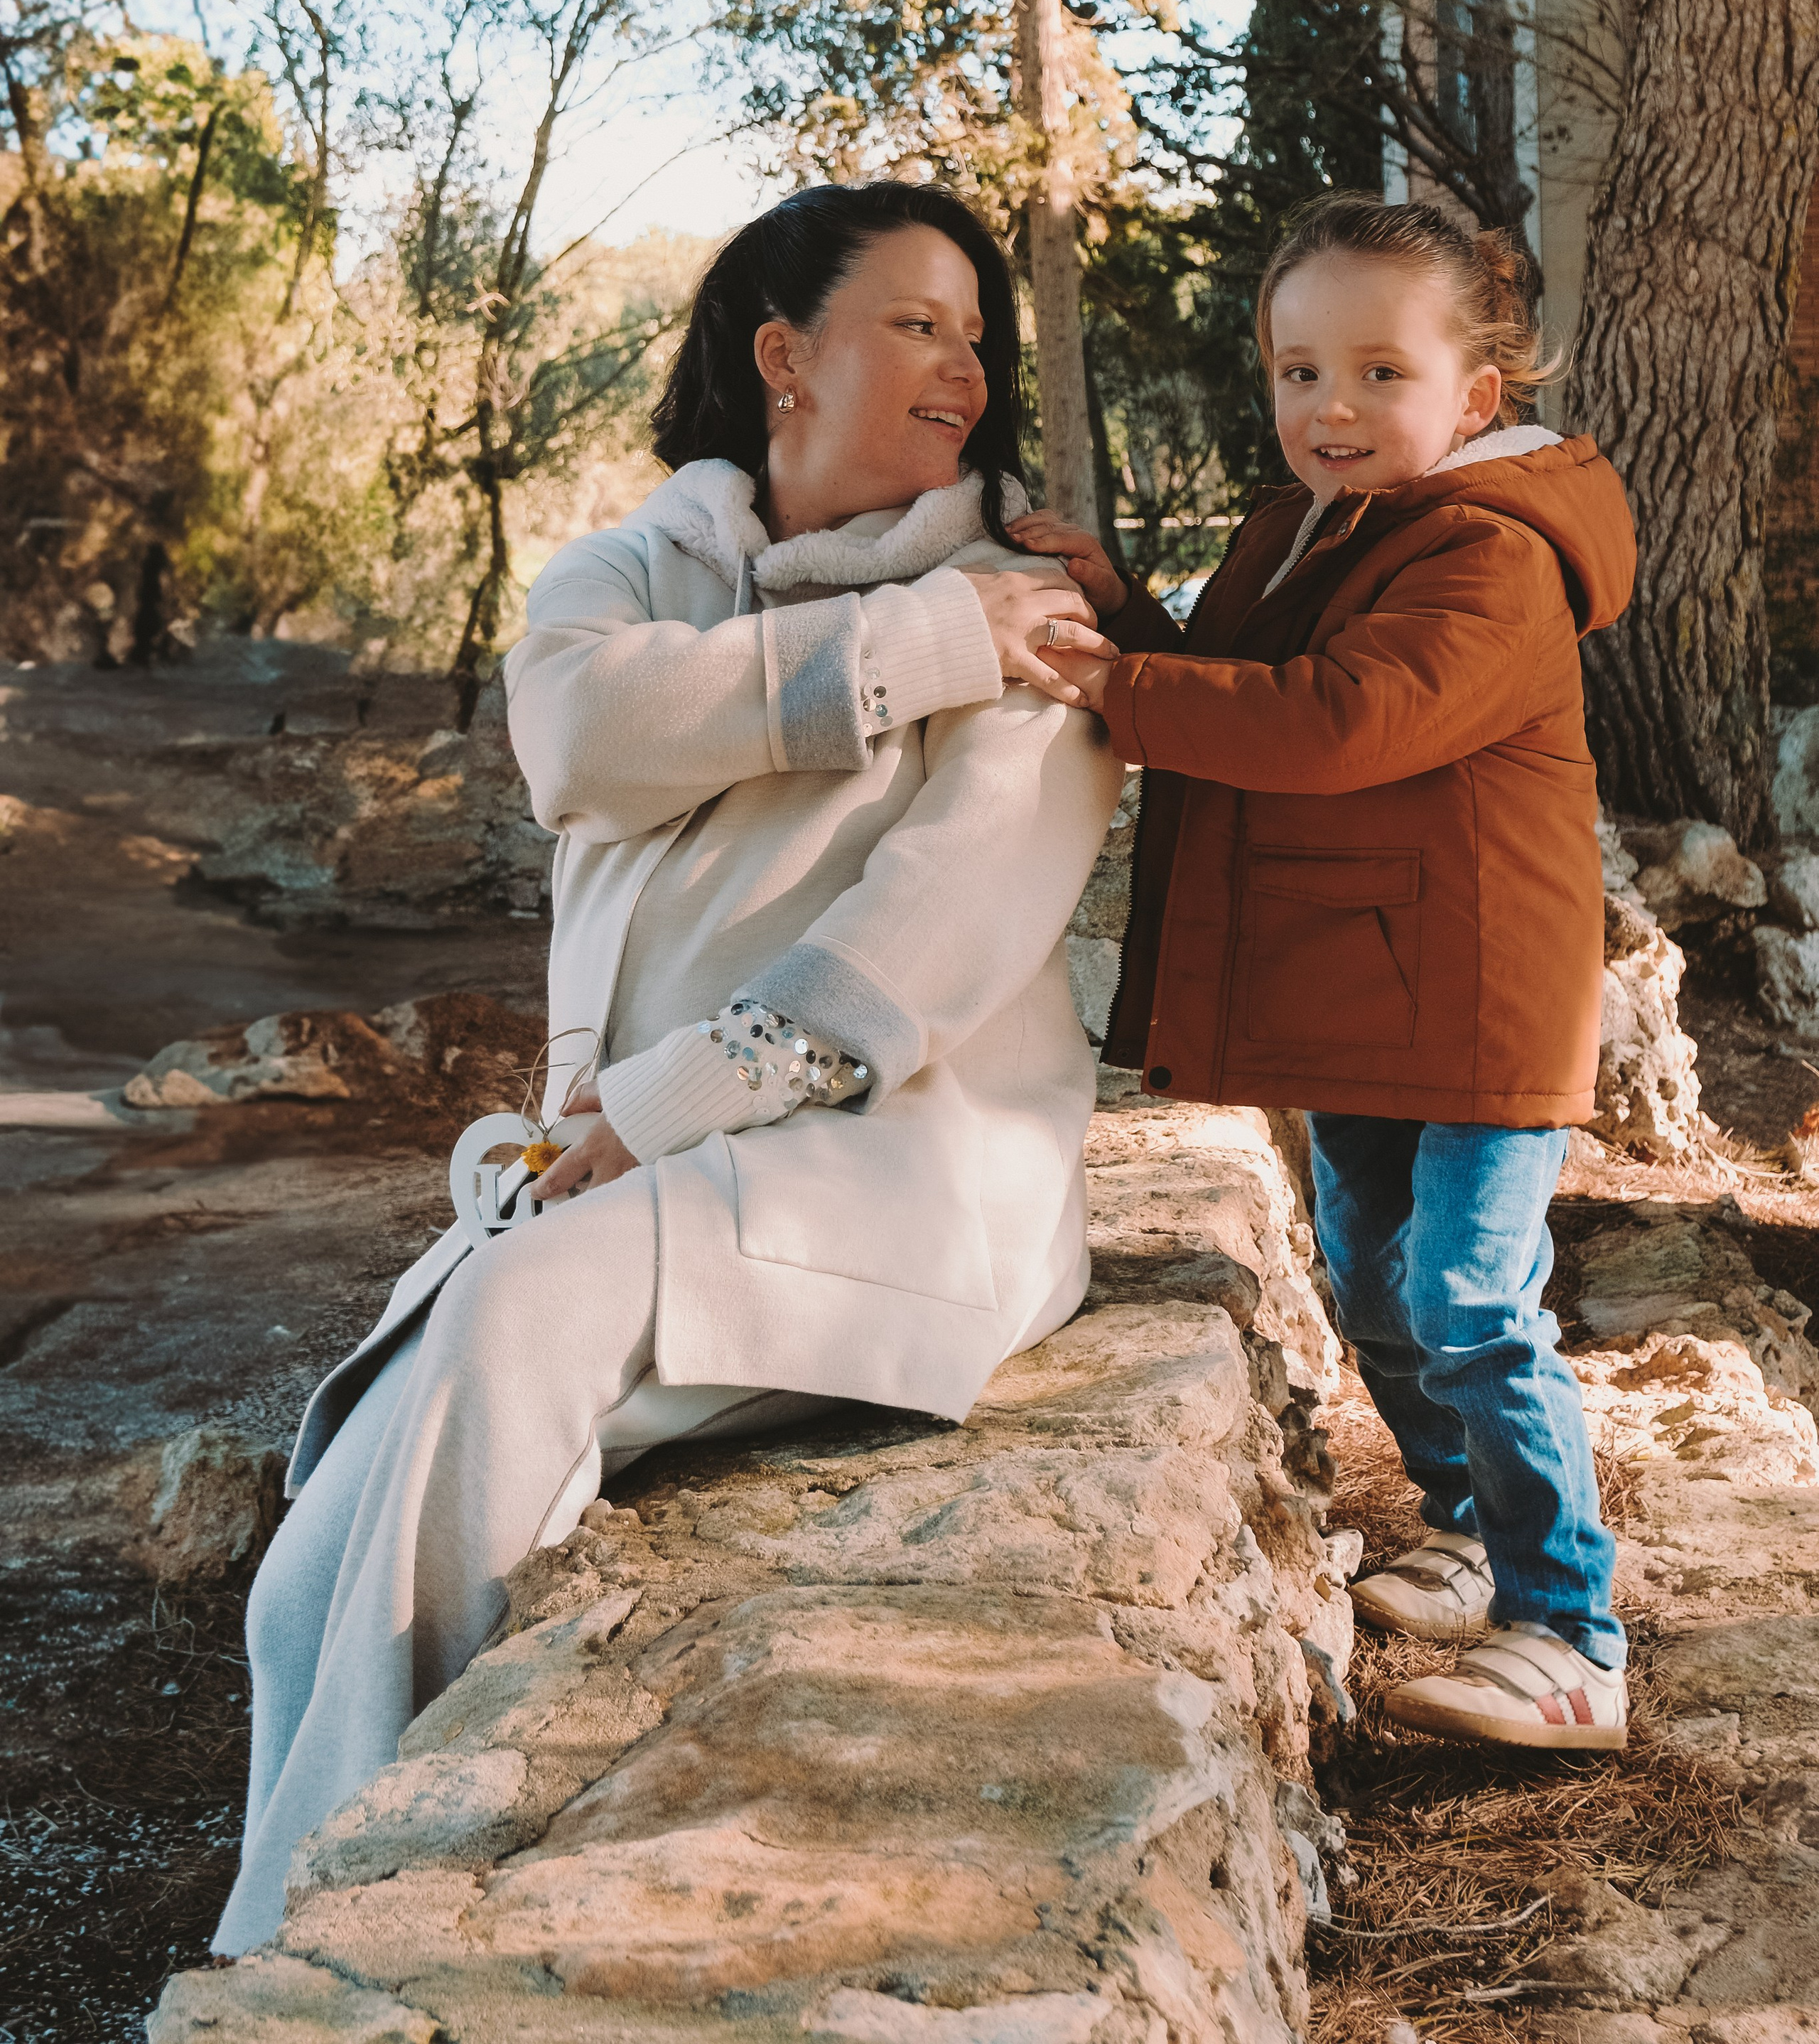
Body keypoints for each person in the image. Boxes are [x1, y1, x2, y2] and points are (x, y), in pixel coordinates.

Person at [214, 182, 1121, 1952]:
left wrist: (652, 1114)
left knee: (504, 1330)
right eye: (915, 324)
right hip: (627, 1170)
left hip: (886, 1170)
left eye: (977, 338)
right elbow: (579, 732)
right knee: (312, 1554)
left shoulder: (1045, 612)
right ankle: (315, 1902)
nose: (964, 370)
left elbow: (922, 942)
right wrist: (918, 644)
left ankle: (309, 1943)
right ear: (785, 355)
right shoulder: (646, 565)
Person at [1013, 191, 1638, 1752]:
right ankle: (1467, 1521)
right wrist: (1114, 606)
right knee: (1366, 1278)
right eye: (1298, 373)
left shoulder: (1489, 558)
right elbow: (1249, 681)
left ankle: (1569, 1631)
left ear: (1472, 399)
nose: (1330, 408)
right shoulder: (1309, 530)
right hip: (1373, 978)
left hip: (1486, 988)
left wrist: (1117, 689)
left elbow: (1337, 721)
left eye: (1376, 372)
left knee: (1471, 1296)